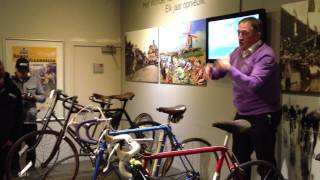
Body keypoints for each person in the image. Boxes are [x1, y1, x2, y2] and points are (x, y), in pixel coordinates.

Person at [202, 17, 281, 179]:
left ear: (258, 34)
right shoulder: (237, 52)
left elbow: (254, 84)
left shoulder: (266, 55)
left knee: (264, 163)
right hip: (242, 114)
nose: (240, 37)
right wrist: (212, 71)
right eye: (238, 33)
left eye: (244, 33)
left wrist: (229, 68)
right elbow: (220, 72)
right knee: (239, 162)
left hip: (263, 115)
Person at [11, 57, 46, 169]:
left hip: (30, 120)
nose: (23, 74)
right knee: (14, 148)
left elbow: (43, 98)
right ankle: (15, 171)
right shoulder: (11, 81)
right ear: (16, 69)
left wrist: (32, 96)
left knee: (31, 148)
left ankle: (30, 171)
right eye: (21, 71)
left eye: (25, 71)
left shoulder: (35, 80)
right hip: (15, 121)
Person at [0, 60, 23, 179]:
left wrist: (13, 139)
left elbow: (19, 117)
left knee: (9, 173)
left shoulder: (13, 89)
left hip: (8, 143)